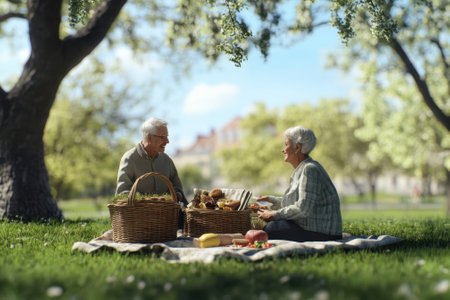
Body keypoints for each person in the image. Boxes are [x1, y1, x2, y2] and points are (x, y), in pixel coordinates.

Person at [257, 126, 342, 242]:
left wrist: (274, 215)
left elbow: (303, 208)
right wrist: (272, 200)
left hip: (323, 234)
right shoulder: (304, 168)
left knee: (271, 228)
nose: (283, 149)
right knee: (270, 227)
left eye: (286, 145)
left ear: (298, 147)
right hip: (314, 229)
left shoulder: (310, 169)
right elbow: (299, 201)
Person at [115, 117, 188, 227]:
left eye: (167, 137)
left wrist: (177, 195)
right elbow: (122, 194)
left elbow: (177, 188)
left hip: (167, 223)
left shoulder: (167, 160)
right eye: (162, 137)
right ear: (149, 137)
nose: (167, 141)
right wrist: (147, 204)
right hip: (139, 224)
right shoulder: (129, 159)